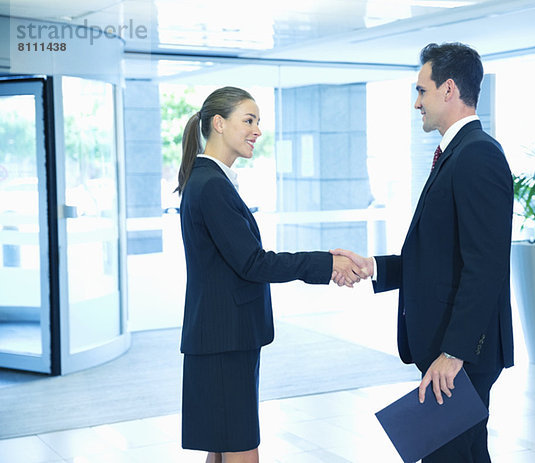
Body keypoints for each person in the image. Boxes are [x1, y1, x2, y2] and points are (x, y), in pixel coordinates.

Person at [332, 43, 514, 462]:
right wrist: (373, 266)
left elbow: (484, 266)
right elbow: (437, 256)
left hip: (463, 354)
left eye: (422, 91)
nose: (417, 103)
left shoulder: (477, 155)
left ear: (448, 89)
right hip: (451, 349)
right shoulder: (454, 154)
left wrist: (454, 353)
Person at [176, 86, 364, 463]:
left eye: (258, 122)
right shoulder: (212, 185)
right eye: (248, 120)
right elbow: (254, 263)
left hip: (220, 337)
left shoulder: (208, 180)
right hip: (224, 339)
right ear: (218, 123)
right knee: (242, 449)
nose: (257, 130)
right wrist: (326, 264)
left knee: (222, 446)